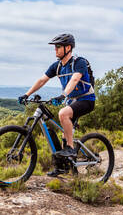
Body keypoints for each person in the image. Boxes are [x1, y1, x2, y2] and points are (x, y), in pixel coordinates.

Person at [18, 33, 95, 177]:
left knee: (63, 114)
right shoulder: (57, 66)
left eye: (58, 46)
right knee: (60, 131)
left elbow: (75, 79)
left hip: (86, 100)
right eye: (55, 47)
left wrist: (63, 95)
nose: (55, 49)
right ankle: (62, 167)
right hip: (72, 101)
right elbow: (42, 80)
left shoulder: (79, 62)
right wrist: (27, 94)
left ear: (68, 48)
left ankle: (71, 149)